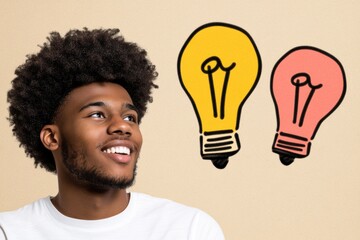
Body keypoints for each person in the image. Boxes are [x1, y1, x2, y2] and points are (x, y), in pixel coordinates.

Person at [0, 28, 224, 239]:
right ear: (52, 138)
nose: (123, 126)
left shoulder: (189, 230)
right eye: (97, 114)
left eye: (130, 118)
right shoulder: (10, 232)